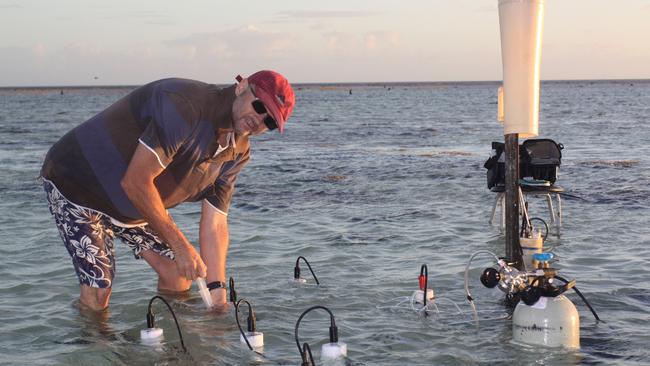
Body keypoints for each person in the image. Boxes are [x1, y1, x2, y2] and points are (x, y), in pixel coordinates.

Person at [40, 70, 295, 311]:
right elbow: (136, 182)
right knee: (98, 291)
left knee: (178, 274)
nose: (259, 120)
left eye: (270, 122)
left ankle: (168, 347)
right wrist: (182, 246)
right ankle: (90, 345)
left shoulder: (237, 152)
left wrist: (217, 293)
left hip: (134, 205)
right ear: (241, 86)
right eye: (259, 106)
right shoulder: (185, 106)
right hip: (77, 183)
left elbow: (215, 224)